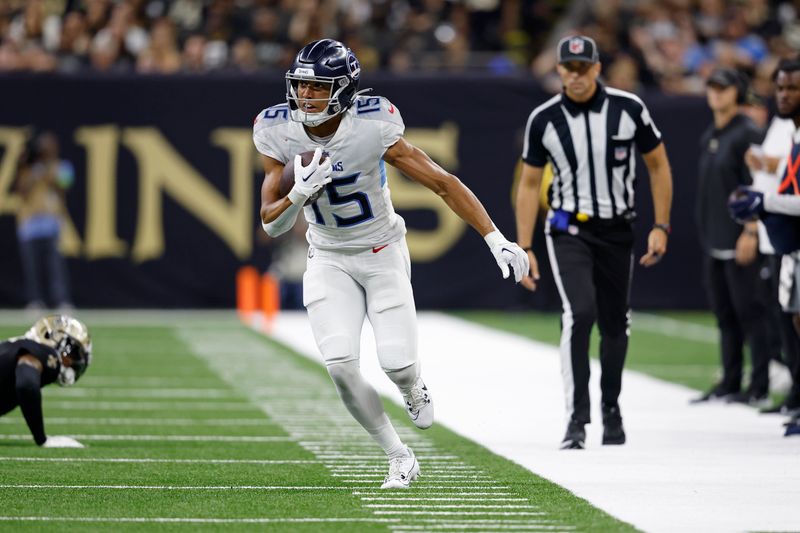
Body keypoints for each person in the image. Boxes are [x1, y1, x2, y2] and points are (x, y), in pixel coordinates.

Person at [252, 39, 529, 488]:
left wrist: (495, 237)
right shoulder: (276, 131)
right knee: (340, 363)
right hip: (328, 255)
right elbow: (271, 225)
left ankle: (411, 384)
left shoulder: (372, 125)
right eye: (300, 85)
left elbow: (442, 181)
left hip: (381, 250)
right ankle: (398, 455)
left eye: (316, 88)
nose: (304, 96)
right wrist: (298, 193)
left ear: (343, 91)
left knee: (397, 363)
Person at [514, 35, 673, 450]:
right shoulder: (545, 118)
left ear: (597, 69)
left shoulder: (628, 108)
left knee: (616, 320)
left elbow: (658, 165)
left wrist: (662, 225)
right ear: (560, 70)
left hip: (618, 228)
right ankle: (577, 417)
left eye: (583, 68)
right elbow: (529, 184)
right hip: (569, 228)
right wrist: (525, 246)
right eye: (569, 68)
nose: (576, 75)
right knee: (580, 312)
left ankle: (611, 408)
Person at [691, 67, 771, 406]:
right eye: (711, 87)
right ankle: (730, 380)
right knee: (725, 314)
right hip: (715, 238)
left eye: (723, 88)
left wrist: (751, 230)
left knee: (751, 313)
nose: (716, 94)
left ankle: (760, 385)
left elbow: (757, 185)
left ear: (737, 94)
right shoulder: (713, 132)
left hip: (741, 238)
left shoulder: (747, 133)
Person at [729, 58, 800, 435]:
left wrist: (763, 203)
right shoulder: (789, 130)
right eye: (782, 88)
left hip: (787, 233)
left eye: (793, 88)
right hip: (787, 238)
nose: (784, 95)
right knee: (788, 318)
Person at [0, 314, 92, 447]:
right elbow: (26, 384)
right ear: (49, 337)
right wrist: (42, 439)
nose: (72, 360)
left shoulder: (12, 347)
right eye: (73, 352)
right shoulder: (41, 352)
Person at [14, 131, 74, 310]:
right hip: (30, 224)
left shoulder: (62, 166)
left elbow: (65, 185)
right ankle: (35, 301)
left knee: (55, 267)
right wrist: (31, 170)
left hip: (51, 222)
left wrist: (47, 171)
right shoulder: (28, 168)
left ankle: (61, 300)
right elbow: (21, 192)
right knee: (32, 267)